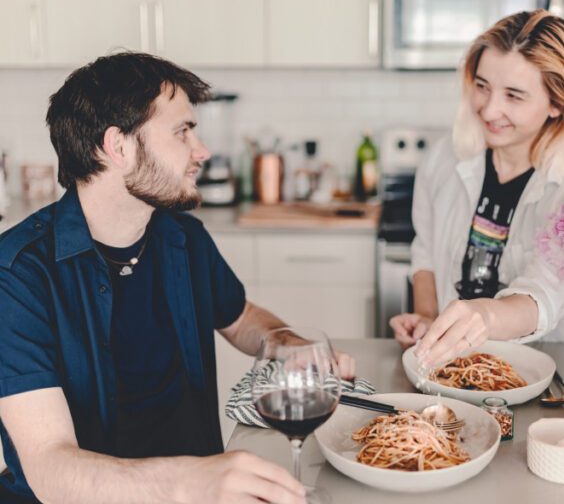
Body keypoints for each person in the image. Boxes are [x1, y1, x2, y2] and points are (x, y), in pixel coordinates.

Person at [0, 52, 355, 504]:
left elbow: (240, 316)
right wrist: (190, 482)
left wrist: (284, 341)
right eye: (183, 131)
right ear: (119, 147)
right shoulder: (17, 276)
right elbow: (51, 469)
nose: (201, 150)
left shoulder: (181, 235)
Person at [390, 10, 564, 368]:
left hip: (548, 380)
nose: (488, 109)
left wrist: (484, 317)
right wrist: (426, 318)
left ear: (557, 104)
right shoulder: (444, 159)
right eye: (482, 86)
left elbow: (546, 291)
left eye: (514, 96)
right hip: (453, 369)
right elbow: (425, 251)